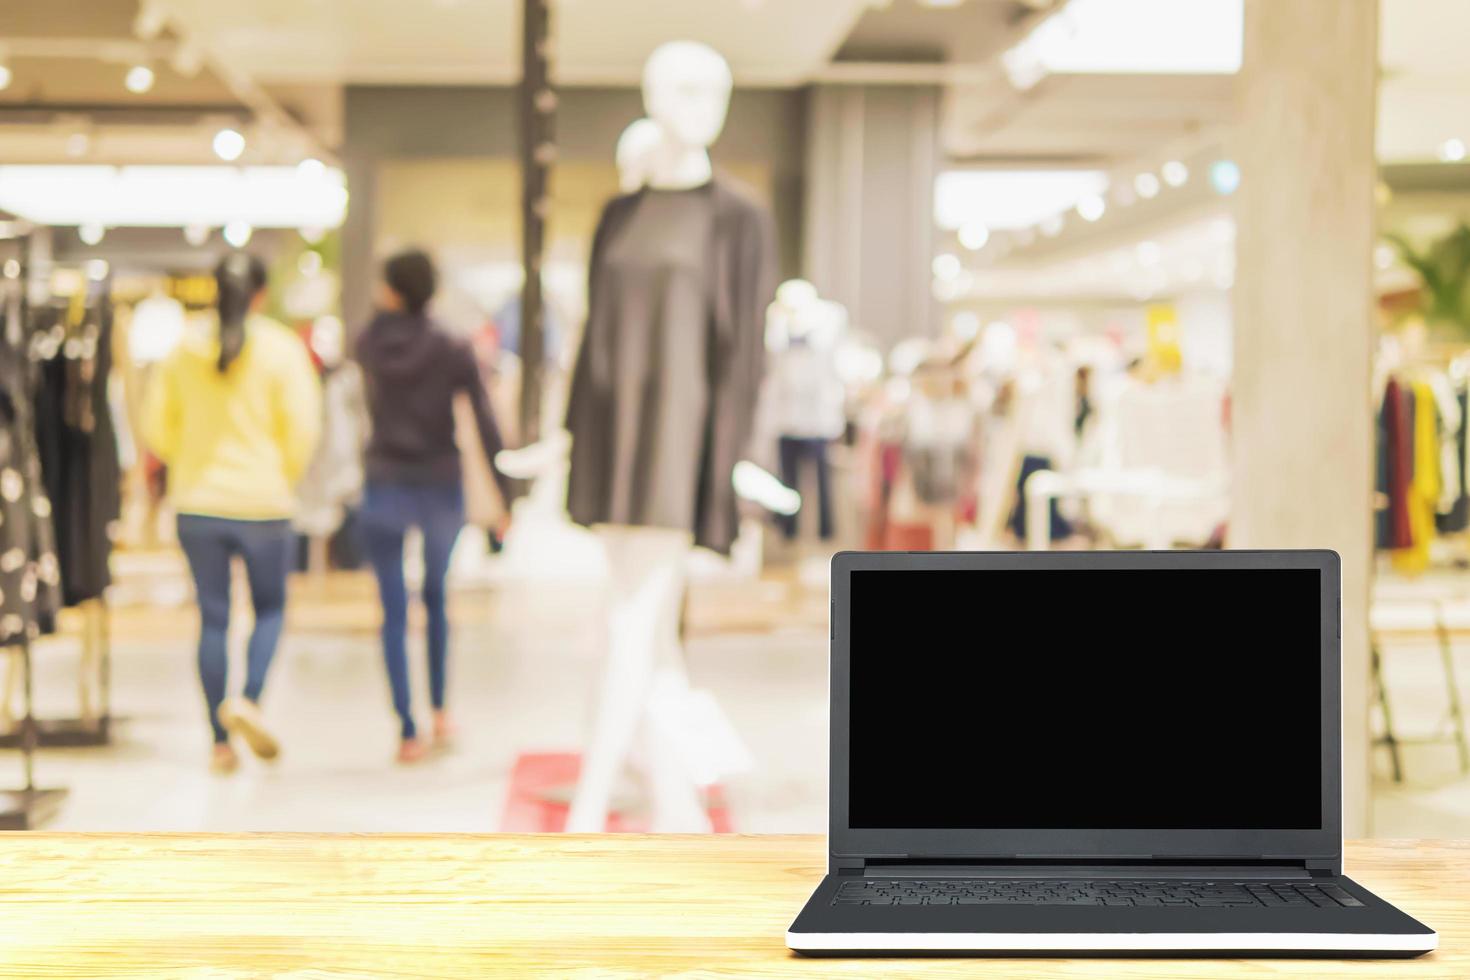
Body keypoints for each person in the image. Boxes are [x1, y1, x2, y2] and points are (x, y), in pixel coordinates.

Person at [143, 253, 322, 774]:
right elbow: (303, 428)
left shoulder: (181, 349)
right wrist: (279, 474)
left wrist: (190, 462)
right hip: (264, 503)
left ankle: (219, 743)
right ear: (261, 294)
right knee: (269, 610)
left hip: (199, 503)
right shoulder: (282, 349)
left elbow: (157, 428)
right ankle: (249, 700)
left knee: (213, 618)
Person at [356, 248, 514, 763]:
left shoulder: (371, 344)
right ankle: (441, 710)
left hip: (384, 480)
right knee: (437, 598)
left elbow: (367, 336)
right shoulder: (451, 346)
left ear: (392, 291)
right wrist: (505, 494)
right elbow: (486, 420)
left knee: (393, 611)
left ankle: (406, 730)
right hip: (438, 482)